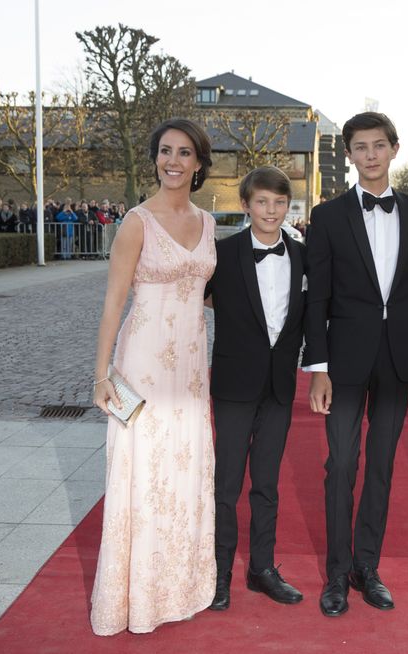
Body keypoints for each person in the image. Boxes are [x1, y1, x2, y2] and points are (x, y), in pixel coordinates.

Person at [89, 118, 217, 635]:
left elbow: (206, 291)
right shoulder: (137, 222)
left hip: (190, 367)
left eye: (184, 153)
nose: (173, 161)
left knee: (183, 473)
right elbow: (113, 303)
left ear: (199, 164)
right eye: (165, 151)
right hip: (141, 364)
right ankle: (134, 597)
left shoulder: (208, 223)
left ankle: (178, 586)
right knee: (141, 475)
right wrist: (101, 375)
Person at [304, 112, 408, 616]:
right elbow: (317, 298)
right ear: (350, 155)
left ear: (394, 149)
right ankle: (336, 574)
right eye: (360, 147)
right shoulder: (329, 216)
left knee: (380, 466)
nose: (371, 155)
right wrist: (317, 366)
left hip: (399, 359)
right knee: (341, 465)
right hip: (342, 361)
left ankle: (367, 567)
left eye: (379, 145)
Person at [205, 166, 307, 611]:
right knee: (226, 484)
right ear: (246, 205)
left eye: (279, 202)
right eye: (262, 202)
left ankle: (261, 567)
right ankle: (219, 572)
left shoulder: (304, 256)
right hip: (232, 385)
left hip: (279, 386)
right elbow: (198, 300)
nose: (271, 210)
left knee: (267, 483)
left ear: (289, 206)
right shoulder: (221, 254)